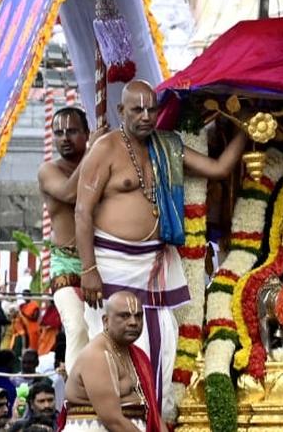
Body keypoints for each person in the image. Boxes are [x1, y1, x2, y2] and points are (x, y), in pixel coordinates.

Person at [75, 81, 246, 419]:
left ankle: (152, 422)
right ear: (121, 111)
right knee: (113, 355)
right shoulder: (106, 149)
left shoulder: (167, 146)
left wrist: (247, 127)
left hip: (155, 266)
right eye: (136, 109)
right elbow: (82, 210)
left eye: (151, 109)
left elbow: (218, 169)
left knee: (162, 347)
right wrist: (88, 269)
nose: (145, 116)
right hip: (111, 267)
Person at [37, 106, 94, 368]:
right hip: (66, 264)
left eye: (72, 131)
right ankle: (78, 404)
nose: (64, 138)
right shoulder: (48, 170)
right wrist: (94, 154)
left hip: (100, 260)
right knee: (77, 328)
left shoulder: (102, 165)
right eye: (58, 132)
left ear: (86, 133)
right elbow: (72, 193)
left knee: (101, 333)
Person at [64, 291, 162, 432]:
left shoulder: (137, 356)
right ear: (105, 321)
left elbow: (154, 414)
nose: (134, 322)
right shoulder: (97, 356)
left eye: (138, 316)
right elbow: (114, 421)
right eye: (125, 316)